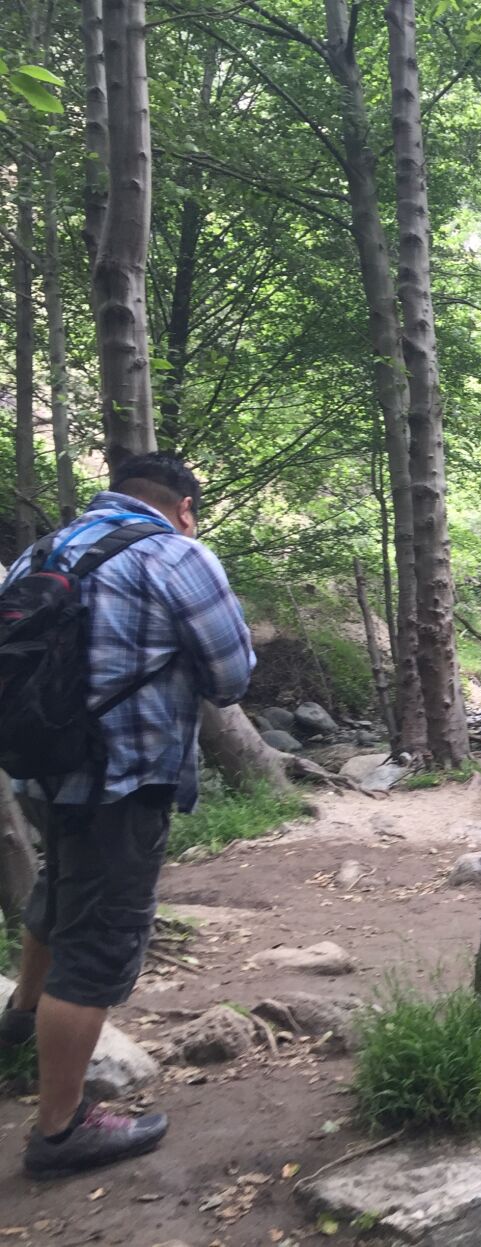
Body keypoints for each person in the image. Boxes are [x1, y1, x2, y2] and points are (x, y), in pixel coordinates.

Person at [0, 454, 255, 1178]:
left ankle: (20, 1020)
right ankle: (60, 1130)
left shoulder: (44, 549)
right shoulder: (178, 555)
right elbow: (232, 675)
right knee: (101, 943)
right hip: (126, 774)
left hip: (40, 765)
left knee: (60, 889)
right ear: (183, 506)